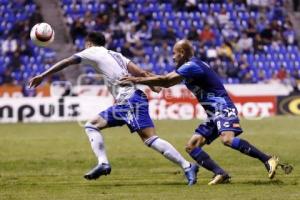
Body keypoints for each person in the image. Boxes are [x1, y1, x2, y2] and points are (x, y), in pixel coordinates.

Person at [28, 32, 199, 185]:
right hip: (126, 102)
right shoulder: (117, 55)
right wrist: (154, 85)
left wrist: (43, 75)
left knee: (149, 139)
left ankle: (188, 166)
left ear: (89, 43)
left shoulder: (91, 51)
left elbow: (66, 62)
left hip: (131, 101)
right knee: (91, 125)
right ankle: (103, 163)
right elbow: (140, 72)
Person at [120, 39, 280, 185]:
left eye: (174, 53)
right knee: (192, 146)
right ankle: (220, 173)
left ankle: (268, 159)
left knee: (227, 140)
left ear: (182, 53)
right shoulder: (187, 68)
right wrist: (145, 77)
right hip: (213, 114)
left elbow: (166, 80)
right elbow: (166, 82)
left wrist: (137, 79)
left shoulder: (192, 66)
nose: (173, 57)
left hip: (223, 107)